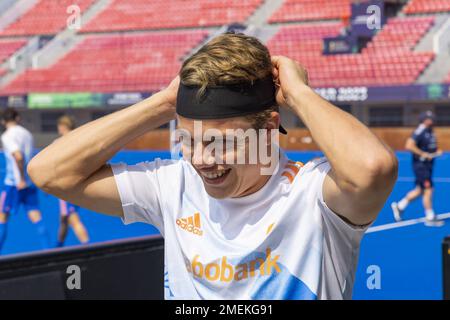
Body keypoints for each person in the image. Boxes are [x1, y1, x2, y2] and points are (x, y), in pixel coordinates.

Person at [27, 33, 398, 299]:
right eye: (187, 140)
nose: (201, 160)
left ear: (269, 128)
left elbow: (372, 168)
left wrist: (299, 94)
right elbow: (49, 172)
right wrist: (162, 103)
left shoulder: (312, 195)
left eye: (219, 143)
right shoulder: (172, 185)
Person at [0, 108, 50, 253]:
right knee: (36, 216)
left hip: (14, 184)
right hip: (29, 183)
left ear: (3, 121)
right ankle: (48, 252)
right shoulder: (27, 134)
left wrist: (20, 178)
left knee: (2, 217)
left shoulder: (8, 135)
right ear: (18, 118)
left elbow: (18, 156)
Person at [391, 111, 443, 227]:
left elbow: (430, 146)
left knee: (420, 190)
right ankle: (430, 217)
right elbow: (409, 145)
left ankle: (400, 206)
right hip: (421, 166)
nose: (432, 120)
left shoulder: (430, 131)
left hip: (428, 166)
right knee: (428, 189)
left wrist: (435, 152)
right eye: (430, 118)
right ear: (424, 119)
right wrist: (422, 154)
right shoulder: (420, 130)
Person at [55, 115, 89, 247]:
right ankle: (58, 247)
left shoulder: (60, 142)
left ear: (63, 126)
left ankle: (87, 246)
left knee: (72, 217)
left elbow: (52, 165)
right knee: (64, 218)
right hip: (77, 182)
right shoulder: (79, 140)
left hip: (64, 186)